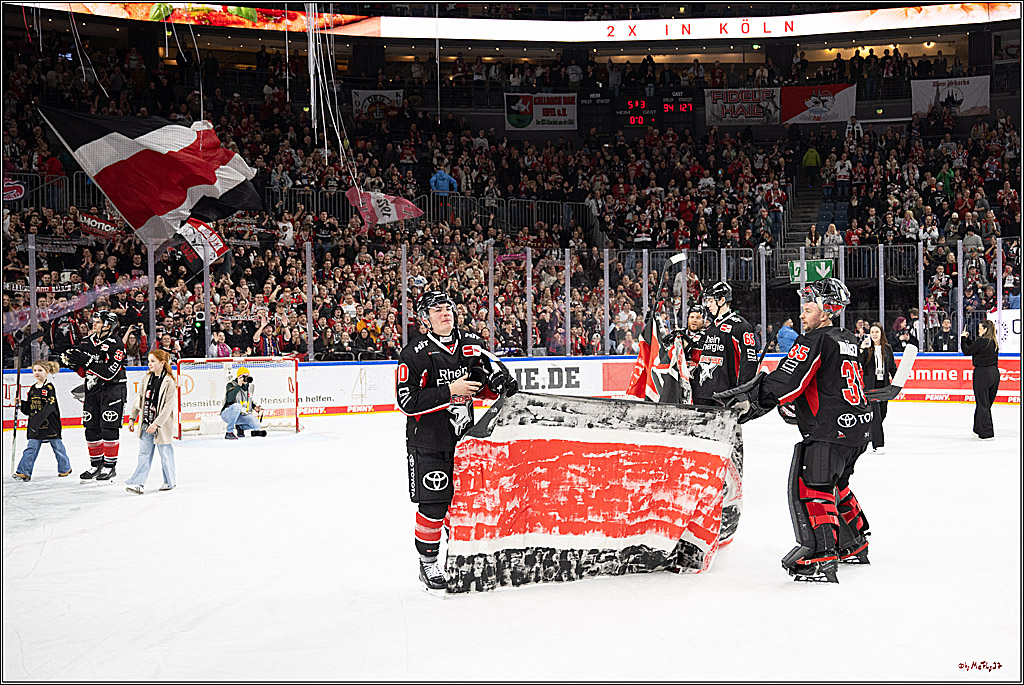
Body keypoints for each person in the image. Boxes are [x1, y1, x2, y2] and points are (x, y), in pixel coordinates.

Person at [714, 279, 872, 583]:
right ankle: (853, 542)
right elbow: (829, 383)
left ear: (826, 312)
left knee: (813, 488)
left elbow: (788, 381)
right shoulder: (848, 338)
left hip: (830, 430)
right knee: (836, 483)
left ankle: (821, 556)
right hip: (856, 429)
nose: (803, 312)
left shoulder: (813, 340)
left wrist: (750, 400)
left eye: (809, 306)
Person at [395, 290, 519, 590]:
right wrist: (450, 390)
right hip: (428, 442)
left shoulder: (471, 344)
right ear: (425, 319)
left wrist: (497, 383)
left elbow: (491, 376)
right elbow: (406, 402)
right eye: (436, 310)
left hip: (465, 442)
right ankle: (428, 564)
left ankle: (461, 556)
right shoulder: (414, 353)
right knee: (434, 506)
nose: (444, 312)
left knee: (464, 504)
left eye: (447, 307)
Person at [60, 310, 127, 482]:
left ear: (108, 325)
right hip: (92, 388)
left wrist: (87, 361)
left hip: (113, 389)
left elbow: (108, 374)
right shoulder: (86, 342)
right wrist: (73, 364)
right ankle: (96, 464)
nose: (94, 324)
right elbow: (84, 372)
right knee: (91, 428)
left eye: (98, 322)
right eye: (94, 321)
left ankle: (109, 466)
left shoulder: (116, 344)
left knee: (108, 427)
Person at [691, 281, 757, 405]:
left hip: (724, 396)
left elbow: (749, 361)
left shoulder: (740, 326)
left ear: (721, 300)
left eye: (711, 301)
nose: (708, 305)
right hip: (703, 393)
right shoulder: (711, 328)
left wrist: (742, 392)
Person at [125, 349, 178, 494]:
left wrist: (157, 423)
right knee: (144, 454)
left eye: (153, 361)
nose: (149, 364)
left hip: (161, 426)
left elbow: (168, 408)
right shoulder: (146, 378)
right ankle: (138, 483)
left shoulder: (170, 382)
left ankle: (169, 481)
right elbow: (139, 399)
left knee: (165, 455)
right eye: (149, 361)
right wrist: (132, 417)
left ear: (162, 363)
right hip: (146, 423)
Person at [13, 360, 71, 481]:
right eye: (35, 370)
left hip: (50, 424)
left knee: (58, 447)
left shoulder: (49, 387)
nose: (37, 373)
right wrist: (21, 403)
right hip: (36, 425)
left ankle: (65, 468)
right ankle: (24, 472)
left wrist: (39, 419)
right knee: (31, 448)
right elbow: (29, 408)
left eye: (40, 370)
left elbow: (50, 407)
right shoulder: (33, 388)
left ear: (47, 372)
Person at [859, 322, 896, 453]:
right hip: (870, 386)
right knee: (876, 417)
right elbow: (860, 364)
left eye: (876, 332)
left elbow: (892, 367)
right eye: (872, 332)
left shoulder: (887, 348)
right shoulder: (866, 348)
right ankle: (878, 444)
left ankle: (868, 433)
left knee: (882, 414)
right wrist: (862, 349)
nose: (874, 334)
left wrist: (897, 383)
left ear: (881, 334)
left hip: (884, 385)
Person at [961, 319, 1000, 440]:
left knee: (983, 404)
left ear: (985, 329)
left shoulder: (982, 341)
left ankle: (987, 432)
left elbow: (967, 351)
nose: (978, 330)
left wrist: (963, 338)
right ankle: (978, 429)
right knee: (985, 403)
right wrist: (968, 340)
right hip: (994, 373)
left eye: (980, 328)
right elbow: (975, 348)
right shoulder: (993, 342)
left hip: (982, 374)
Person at [220, 367, 268, 440]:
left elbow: (247, 399)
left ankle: (240, 427)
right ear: (239, 377)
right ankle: (229, 432)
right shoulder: (231, 384)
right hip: (227, 414)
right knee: (237, 406)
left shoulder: (250, 386)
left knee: (257, 425)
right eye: (244, 376)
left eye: (247, 376)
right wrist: (238, 386)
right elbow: (229, 399)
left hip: (241, 414)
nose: (246, 378)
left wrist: (254, 407)